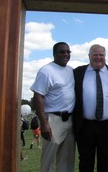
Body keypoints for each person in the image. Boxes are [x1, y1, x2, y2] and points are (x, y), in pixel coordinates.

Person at [73, 44, 108, 172]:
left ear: (105, 56)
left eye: (101, 55)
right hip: (85, 126)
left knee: (107, 161)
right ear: (89, 56)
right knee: (85, 161)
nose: (98, 57)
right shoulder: (78, 72)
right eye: (95, 54)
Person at [30, 42, 76, 172]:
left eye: (68, 52)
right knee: (48, 161)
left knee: (66, 161)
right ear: (54, 54)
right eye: (62, 52)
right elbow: (38, 96)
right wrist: (44, 123)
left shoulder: (71, 71)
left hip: (70, 120)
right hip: (52, 120)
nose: (66, 54)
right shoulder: (46, 71)